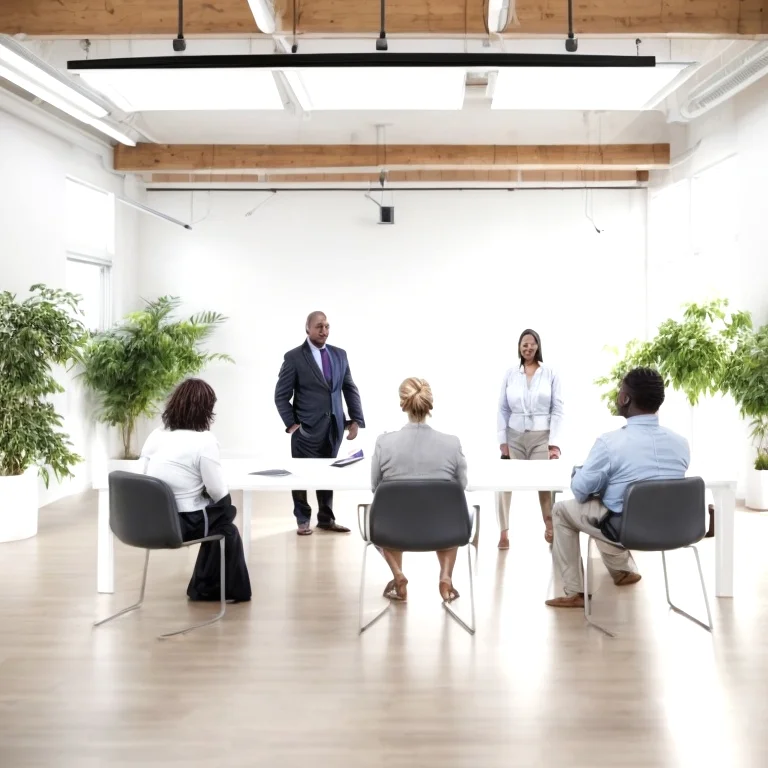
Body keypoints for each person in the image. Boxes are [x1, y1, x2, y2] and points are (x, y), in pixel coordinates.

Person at [545, 367, 690, 608]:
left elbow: (580, 490)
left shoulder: (609, 443)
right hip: (674, 529)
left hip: (626, 529)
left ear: (625, 399)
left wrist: (584, 473)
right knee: (609, 504)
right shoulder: (680, 443)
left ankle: (575, 593)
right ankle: (623, 569)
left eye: (620, 391)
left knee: (565, 509)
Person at [140, 378, 252, 603]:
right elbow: (218, 490)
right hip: (180, 525)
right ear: (205, 410)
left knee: (219, 520)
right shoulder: (204, 441)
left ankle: (203, 587)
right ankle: (222, 591)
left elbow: (142, 477)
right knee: (226, 522)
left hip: (146, 522)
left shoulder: (156, 435)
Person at [371, 377, 468, 603]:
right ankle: (445, 577)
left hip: (394, 528)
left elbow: (376, 487)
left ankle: (398, 575)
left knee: (385, 516)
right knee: (450, 514)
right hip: (442, 528)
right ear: (429, 404)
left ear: (402, 404)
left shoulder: (384, 443)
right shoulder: (451, 443)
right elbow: (460, 487)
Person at [274, 311, 366, 535]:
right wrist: (292, 425)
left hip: (333, 427)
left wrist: (355, 420)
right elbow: (280, 395)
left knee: (328, 475)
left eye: (326, 326)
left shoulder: (339, 355)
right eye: (319, 326)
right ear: (307, 328)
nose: (324, 330)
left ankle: (326, 519)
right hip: (305, 431)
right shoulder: (294, 357)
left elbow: (349, 388)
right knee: (301, 477)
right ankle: (302, 520)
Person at [496, 328, 564, 549]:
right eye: (524, 344)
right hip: (514, 435)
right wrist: (503, 441)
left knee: (545, 484)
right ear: (519, 347)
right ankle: (503, 532)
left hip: (541, 435)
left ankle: (549, 525)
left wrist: (554, 442)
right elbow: (502, 409)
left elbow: (558, 409)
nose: (528, 347)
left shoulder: (550, 373)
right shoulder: (510, 373)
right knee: (503, 483)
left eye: (531, 343)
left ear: (538, 346)